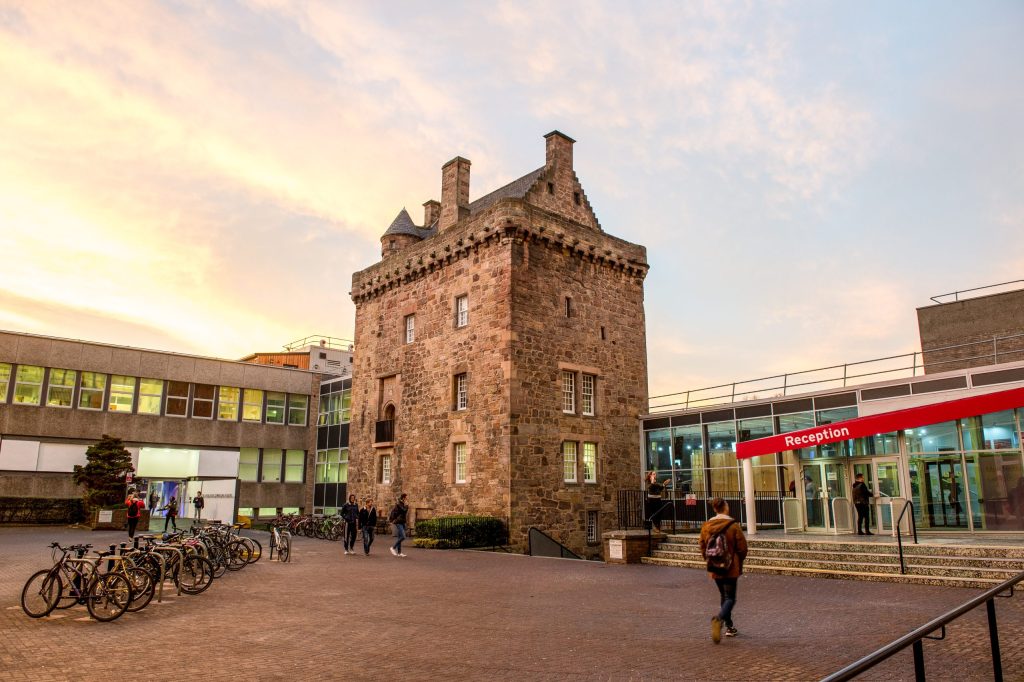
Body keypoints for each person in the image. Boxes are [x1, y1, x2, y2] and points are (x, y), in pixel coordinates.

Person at [699, 497, 748, 643]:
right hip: (730, 566)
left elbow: (702, 545)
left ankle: (730, 626)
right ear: (725, 507)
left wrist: (709, 559)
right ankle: (720, 620)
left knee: (723, 596)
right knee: (730, 597)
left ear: (715, 509)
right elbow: (742, 548)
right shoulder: (733, 525)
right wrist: (738, 560)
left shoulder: (706, 526)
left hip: (715, 566)